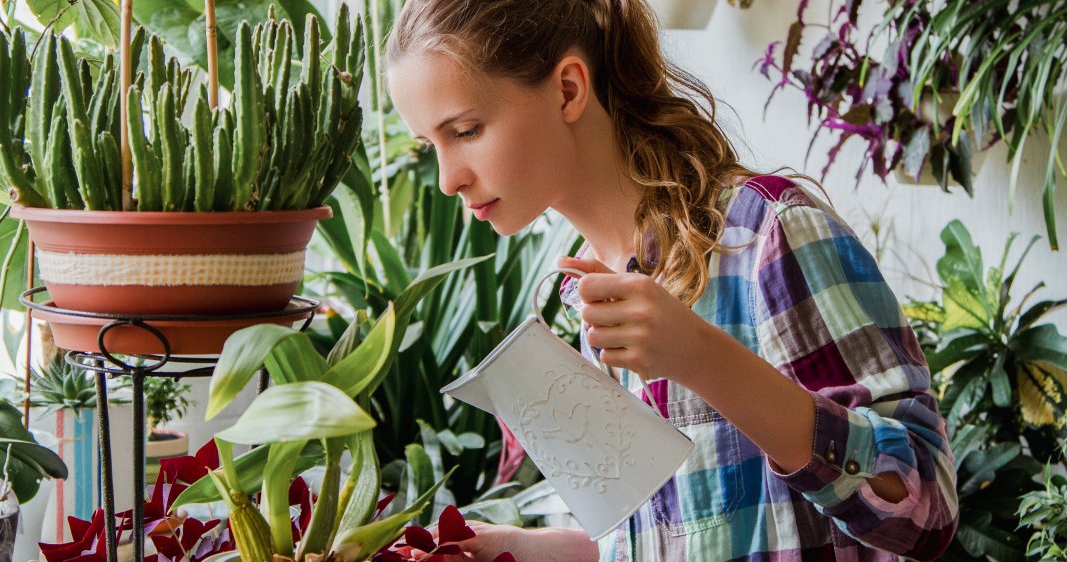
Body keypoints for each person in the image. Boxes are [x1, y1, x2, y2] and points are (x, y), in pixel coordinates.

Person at [384, 0, 959, 561]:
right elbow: (675, 530)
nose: (446, 180)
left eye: (465, 129)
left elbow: (926, 511)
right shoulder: (582, 294)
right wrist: (524, 550)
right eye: (428, 145)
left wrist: (700, 356)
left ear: (567, 89)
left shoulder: (766, 234)